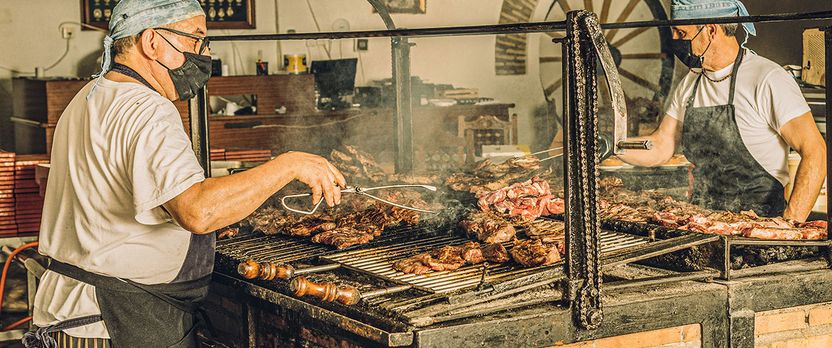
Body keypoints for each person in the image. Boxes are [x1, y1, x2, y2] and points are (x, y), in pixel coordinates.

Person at [27, 1, 345, 347]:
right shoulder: (147, 109)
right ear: (151, 42)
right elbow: (197, 211)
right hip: (111, 322)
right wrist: (287, 165)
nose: (203, 53)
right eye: (195, 39)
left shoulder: (90, 96)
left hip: (76, 313)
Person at [616, 0, 826, 220]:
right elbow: (661, 144)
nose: (675, 41)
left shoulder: (767, 79)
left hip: (758, 225)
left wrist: (789, 225)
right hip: (701, 222)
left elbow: (815, 152)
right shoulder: (691, 82)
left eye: (680, 32)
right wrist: (613, 146)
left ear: (711, 30)